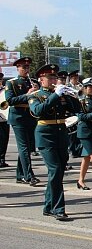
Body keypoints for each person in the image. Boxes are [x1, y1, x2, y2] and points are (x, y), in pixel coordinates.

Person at [29, 64, 81, 221]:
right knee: (56, 169)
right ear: (41, 79)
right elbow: (38, 111)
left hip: (61, 134)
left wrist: (71, 95)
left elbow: (76, 109)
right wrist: (55, 95)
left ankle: (48, 206)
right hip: (45, 135)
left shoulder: (60, 94)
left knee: (57, 172)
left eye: (55, 77)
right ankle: (58, 208)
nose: (53, 80)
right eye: (50, 78)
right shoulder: (35, 95)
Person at [5, 57, 39, 186]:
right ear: (17, 68)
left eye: (28, 67)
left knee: (28, 147)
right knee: (24, 147)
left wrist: (38, 91)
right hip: (18, 117)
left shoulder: (33, 82)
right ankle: (28, 175)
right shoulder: (12, 83)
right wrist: (27, 95)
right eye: (23, 67)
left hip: (30, 116)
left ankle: (20, 174)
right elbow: (10, 101)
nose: (26, 70)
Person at [67, 70, 82, 159]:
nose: (77, 79)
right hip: (71, 110)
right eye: (75, 78)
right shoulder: (67, 87)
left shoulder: (80, 86)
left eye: (77, 78)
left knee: (77, 131)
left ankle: (77, 149)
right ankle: (72, 149)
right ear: (71, 78)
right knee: (72, 133)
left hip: (79, 109)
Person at [0, 72, 10, 168]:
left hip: (4, 119)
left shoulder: (4, 91)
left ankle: (2, 159)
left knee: (4, 139)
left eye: (1, 80)